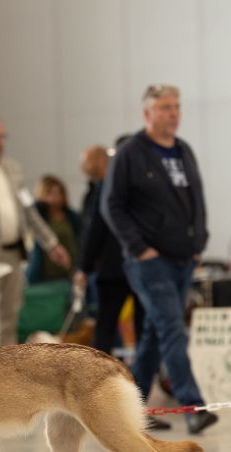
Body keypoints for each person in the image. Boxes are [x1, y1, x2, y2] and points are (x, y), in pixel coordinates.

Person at [101, 84, 217, 435]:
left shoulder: (184, 151)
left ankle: (131, 410)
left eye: (177, 106)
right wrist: (138, 248)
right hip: (149, 261)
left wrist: (199, 241)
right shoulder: (131, 153)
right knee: (171, 328)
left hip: (184, 257)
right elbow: (111, 206)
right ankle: (193, 407)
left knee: (154, 333)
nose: (173, 113)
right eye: (165, 107)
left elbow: (196, 199)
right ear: (147, 113)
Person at [0, 117, 71, 347]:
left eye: (2, 136)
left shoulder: (13, 169)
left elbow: (29, 211)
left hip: (14, 253)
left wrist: (51, 244)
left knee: (11, 315)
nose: (0, 142)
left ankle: (6, 372)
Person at [78, 144, 145, 357]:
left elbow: (95, 230)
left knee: (105, 326)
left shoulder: (105, 188)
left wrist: (83, 267)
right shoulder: (140, 185)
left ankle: (99, 378)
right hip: (139, 263)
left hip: (113, 268)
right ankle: (142, 380)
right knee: (143, 326)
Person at [27, 174, 82, 284]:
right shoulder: (37, 218)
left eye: (57, 193)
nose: (54, 198)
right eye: (49, 193)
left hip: (68, 273)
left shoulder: (73, 217)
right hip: (42, 274)